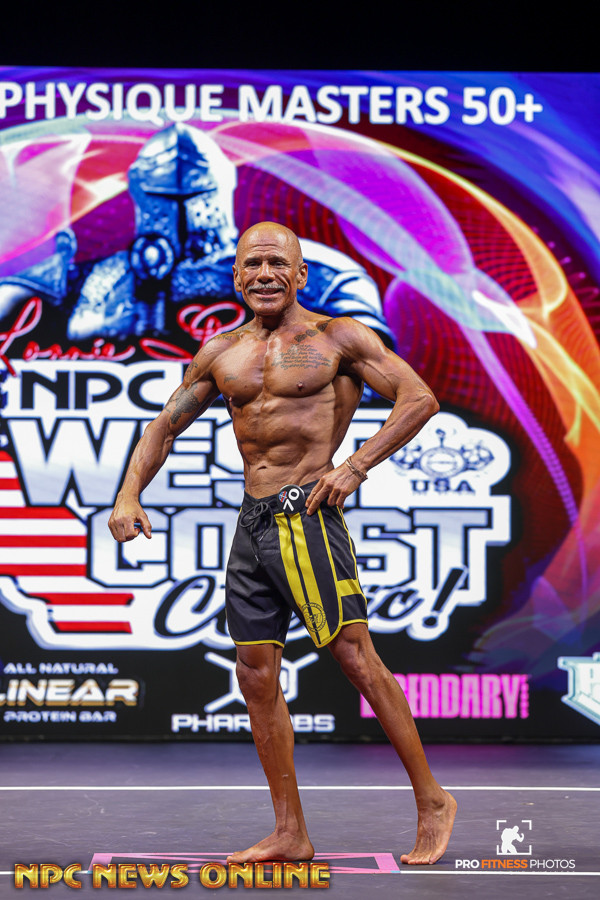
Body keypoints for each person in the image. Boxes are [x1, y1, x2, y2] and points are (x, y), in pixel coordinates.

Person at [108, 220, 457, 866]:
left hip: (309, 518)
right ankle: (291, 831)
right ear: (236, 276)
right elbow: (164, 426)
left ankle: (433, 800)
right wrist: (129, 493)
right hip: (253, 525)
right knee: (254, 673)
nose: (265, 275)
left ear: (300, 274)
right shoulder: (222, 351)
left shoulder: (338, 337)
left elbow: (419, 398)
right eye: (253, 264)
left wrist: (355, 466)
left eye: (277, 263)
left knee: (356, 659)